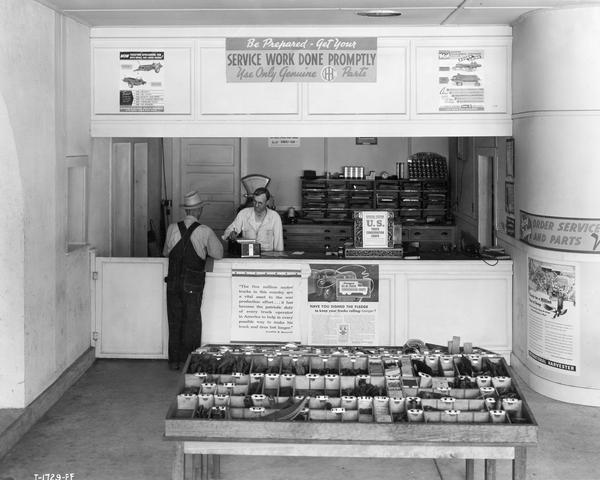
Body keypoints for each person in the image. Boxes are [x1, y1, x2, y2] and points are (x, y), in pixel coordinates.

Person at [163, 190, 223, 370]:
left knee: (174, 322)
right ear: (198, 211)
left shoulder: (172, 228)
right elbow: (218, 254)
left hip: (172, 283)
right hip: (193, 284)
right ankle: (190, 363)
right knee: (192, 322)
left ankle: (174, 362)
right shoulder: (204, 231)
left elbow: (166, 252)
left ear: (187, 211)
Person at [222, 187, 284, 252]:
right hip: (248, 254)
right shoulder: (244, 213)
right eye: (254, 201)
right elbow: (229, 231)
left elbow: (278, 244)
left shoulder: (275, 217)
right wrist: (231, 234)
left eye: (260, 203)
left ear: (267, 202)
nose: (256, 205)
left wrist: (278, 258)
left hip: (267, 256)